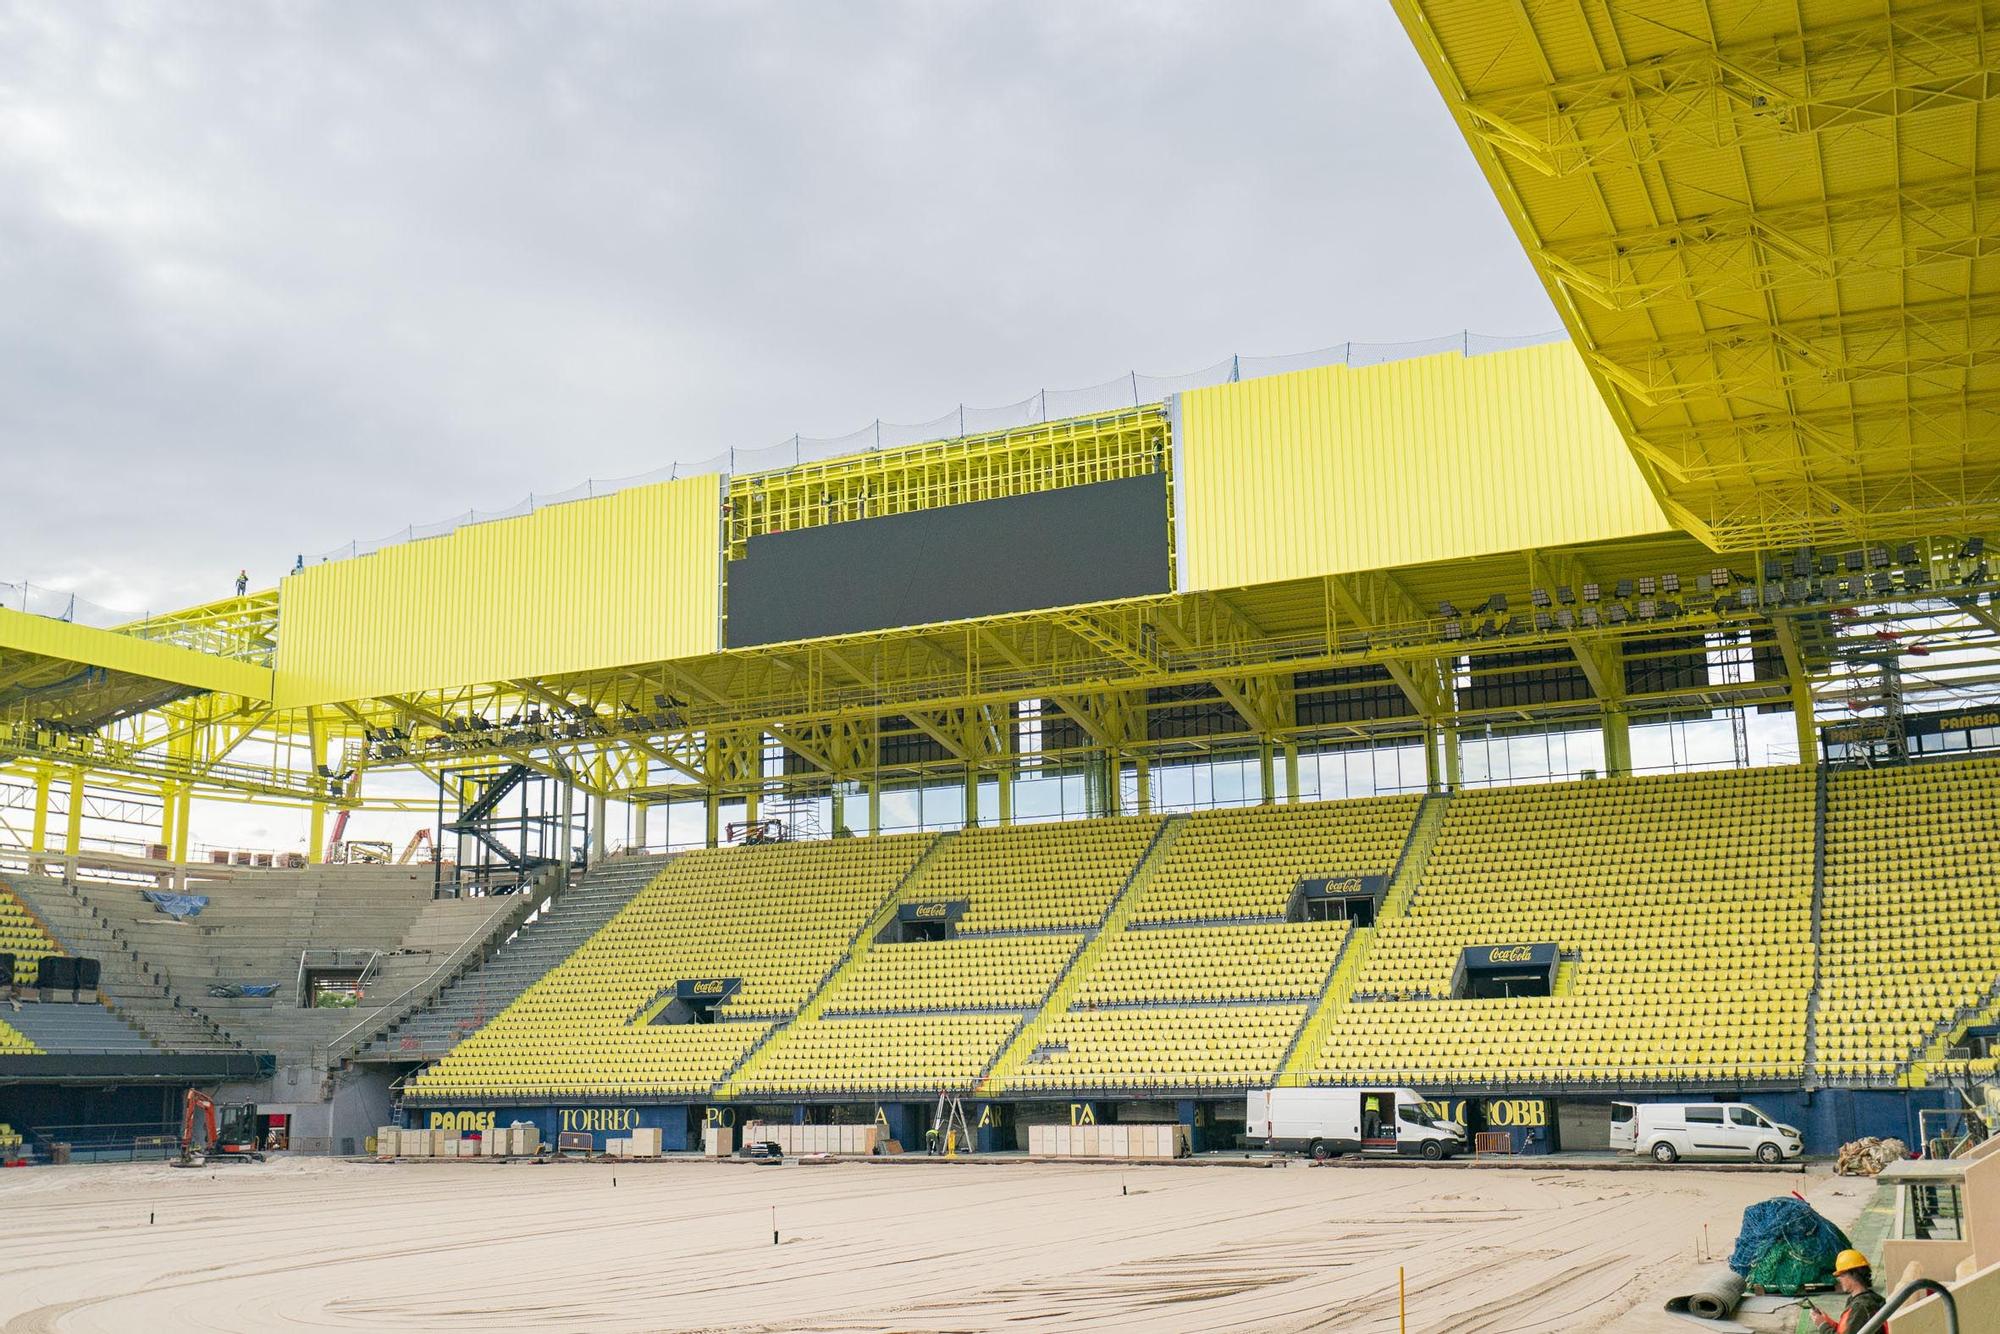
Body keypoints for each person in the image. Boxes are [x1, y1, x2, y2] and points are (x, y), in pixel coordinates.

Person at [1810, 1249, 1886, 1333]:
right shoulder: (1873, 1299)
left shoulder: (1860, 1308)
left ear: (1853, 1273)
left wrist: (1822, 1325)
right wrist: (1828, 1323)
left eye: (1841, 1275)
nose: (1838, 1279)